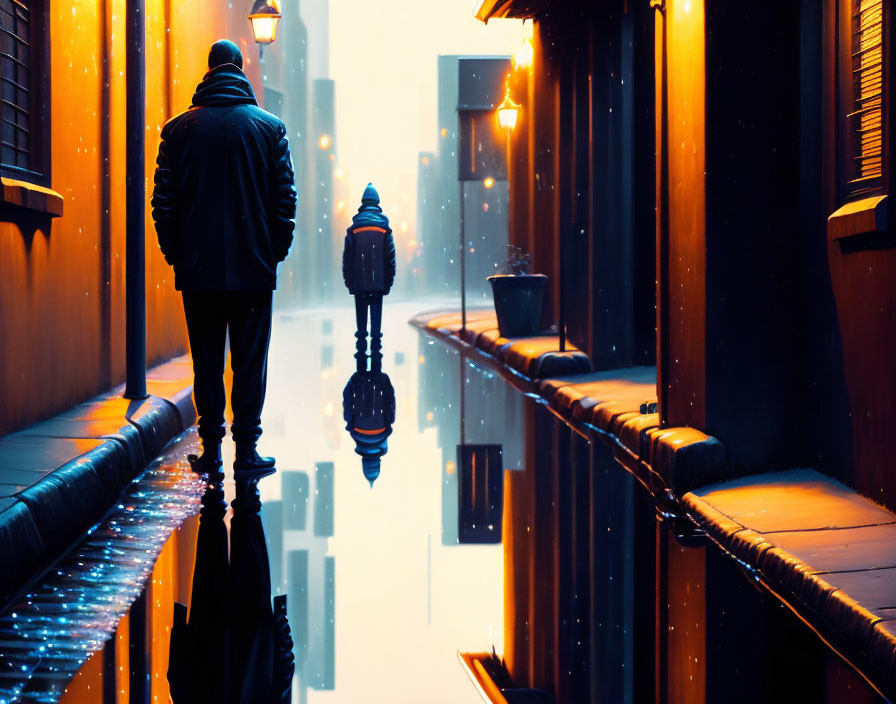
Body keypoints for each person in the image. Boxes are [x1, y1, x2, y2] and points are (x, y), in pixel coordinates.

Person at [151, 39, 297, 476]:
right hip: (253, 269)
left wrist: (177, 254)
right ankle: (247, 450)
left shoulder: (178, 132)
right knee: (250, 363)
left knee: (207, 361)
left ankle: (211, 449)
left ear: (210, 69)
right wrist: (273, 252)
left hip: (198, 272)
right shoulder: (269, 129)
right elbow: (284, 199)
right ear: (239, 68)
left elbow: (163, 201)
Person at [341, 184, 396, 362]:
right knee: (376, 331)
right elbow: (390, 259)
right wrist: (387, 283)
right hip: (378, 284)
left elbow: (347, 260)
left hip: (359, 284)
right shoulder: (384, 229)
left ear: (363, 203)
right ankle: (376, 359)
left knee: (361, 330)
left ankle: (361, 359)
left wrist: (350, 282)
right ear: (377, 203)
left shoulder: (354, 229)